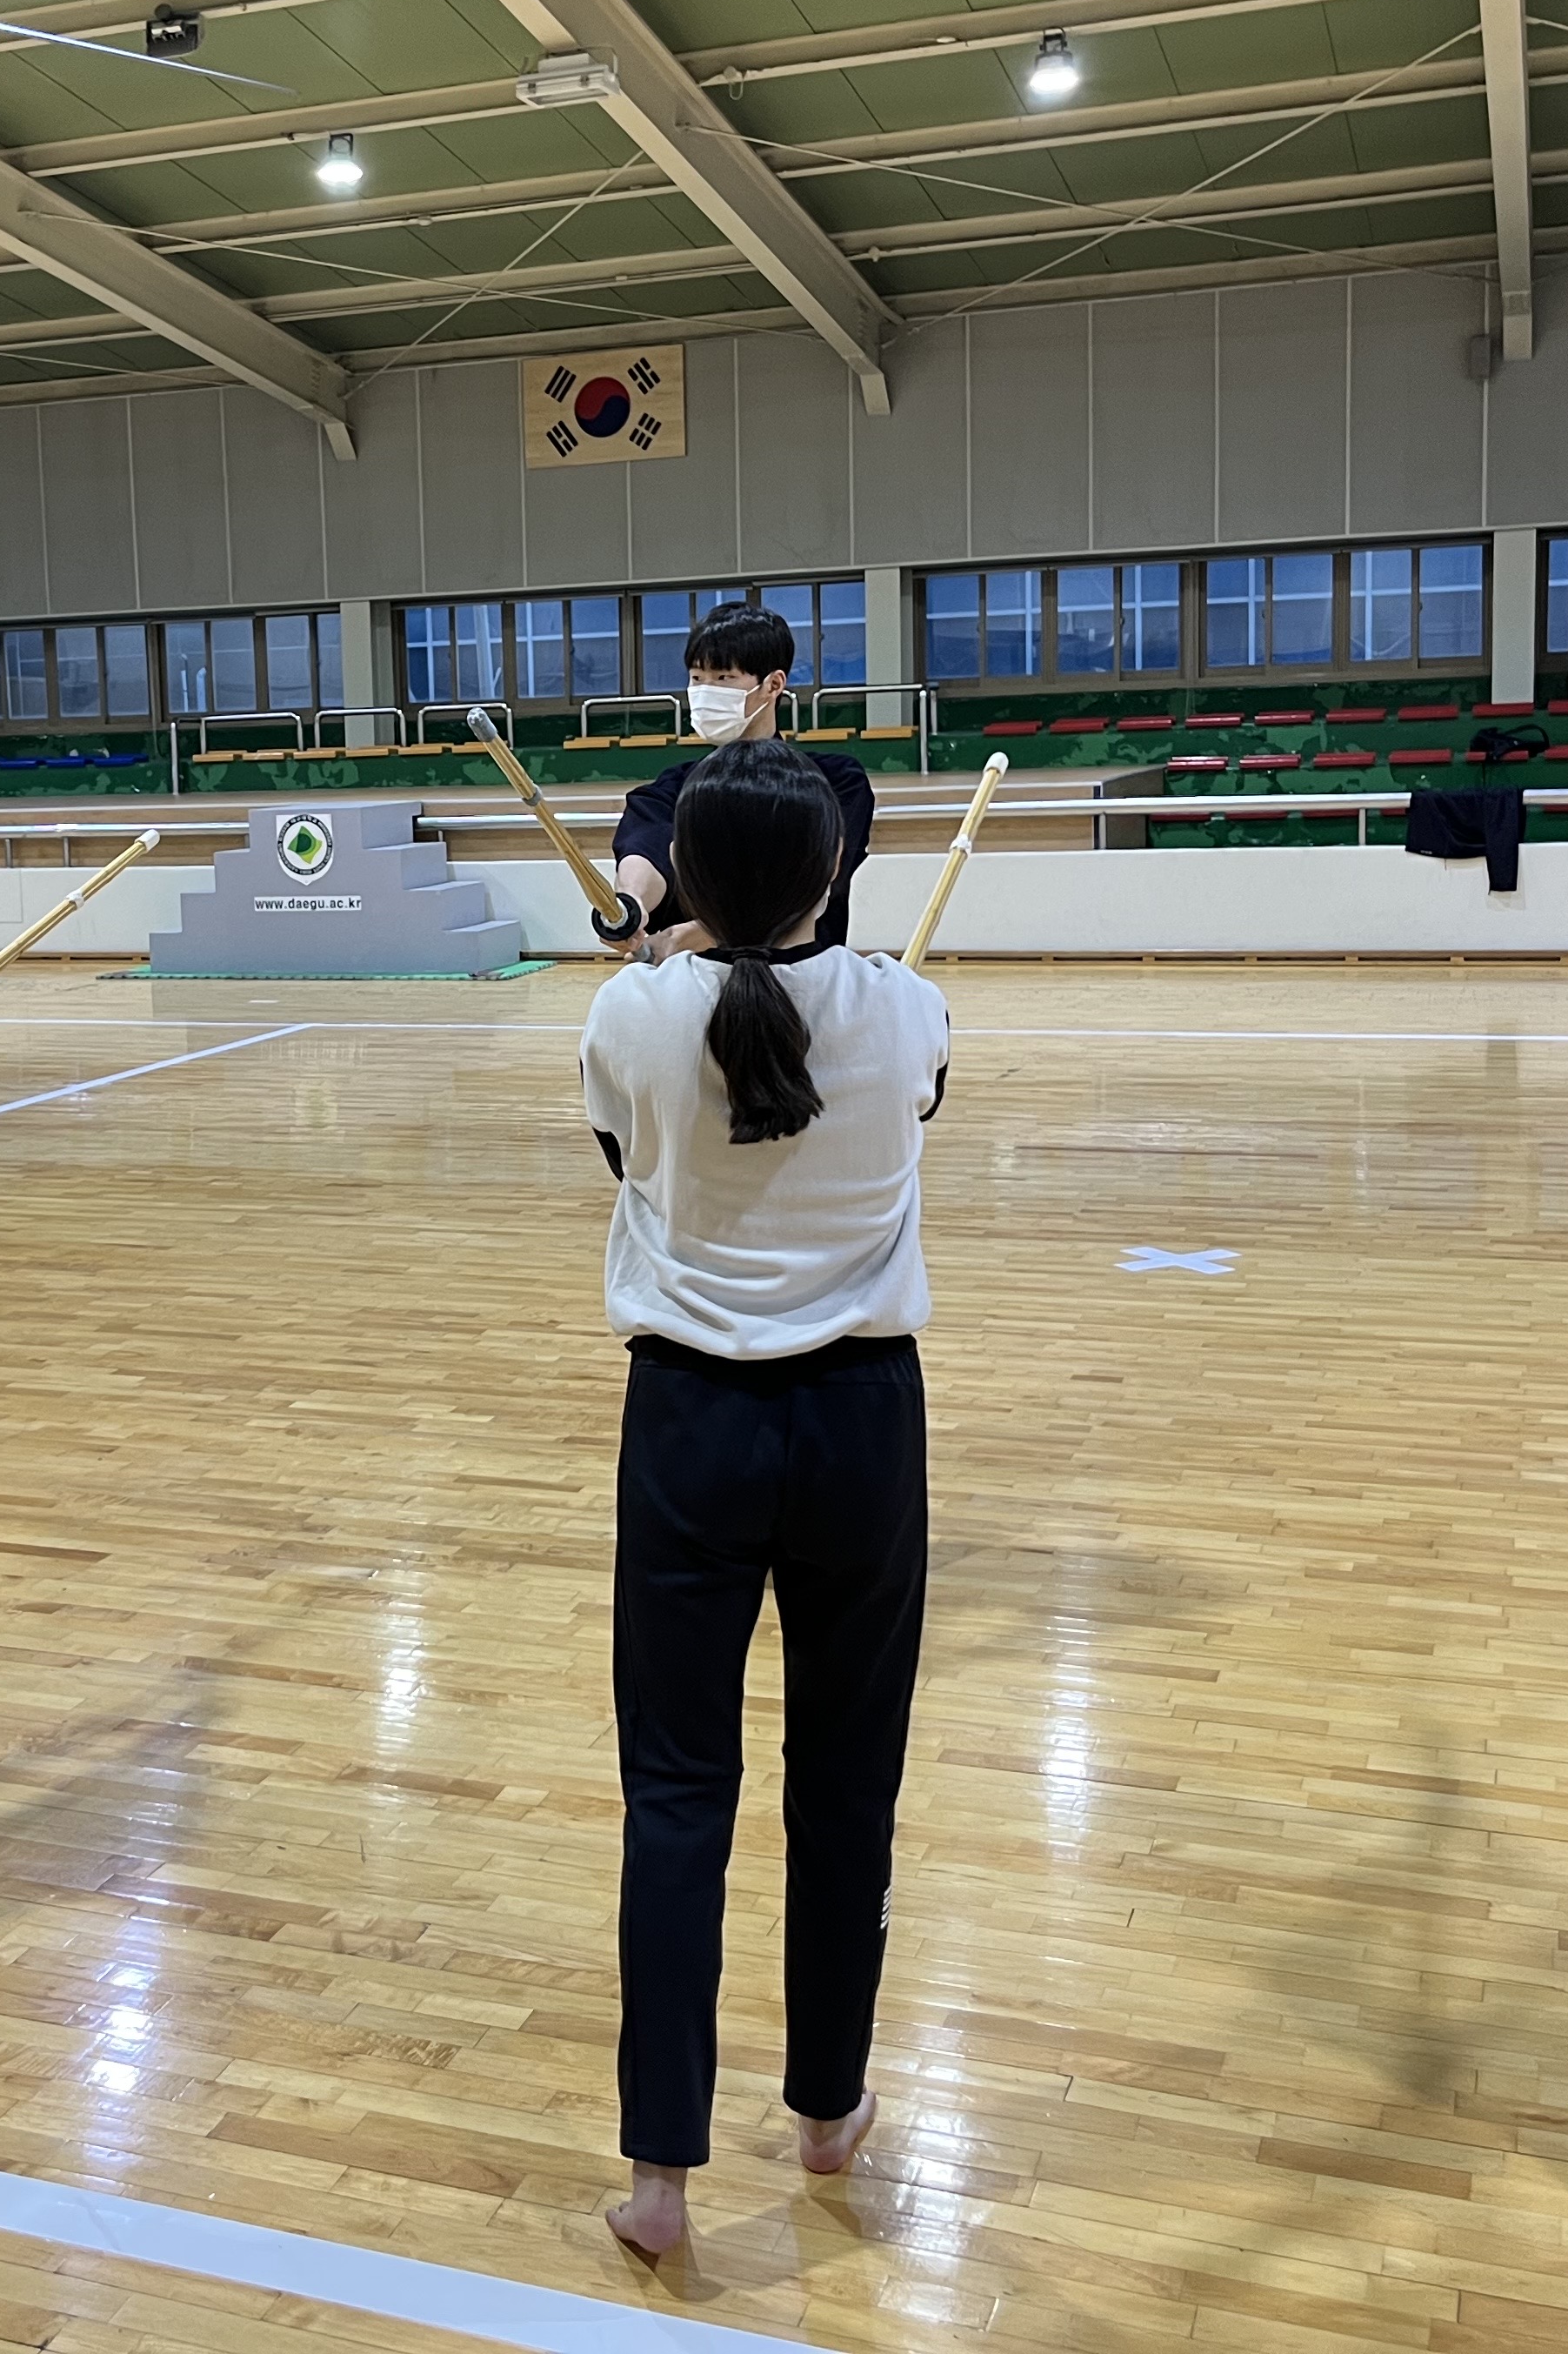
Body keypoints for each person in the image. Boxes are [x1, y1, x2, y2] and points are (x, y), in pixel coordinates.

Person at [575, 738, 951, 2258]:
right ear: (830, 873)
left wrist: (674, 966)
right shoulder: (905, 1004)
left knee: (677, 1790)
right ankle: (826, 2108)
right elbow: (913, 1107)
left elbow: (621, 1152)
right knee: (846, 1780)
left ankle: (661, 2176)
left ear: (692, 878)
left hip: (689, 1420)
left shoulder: (632, 1012)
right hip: (862, 1423)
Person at [605, 600, 875, 957]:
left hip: (800, 974)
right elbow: (647, 850)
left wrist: (693, 935)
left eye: (723, 678)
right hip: (697, 979)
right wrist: (632, 904)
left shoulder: (835, 782)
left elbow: (815, 885)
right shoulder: (673, 788)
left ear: (773, 684)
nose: (705, 690)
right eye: (697, 678)